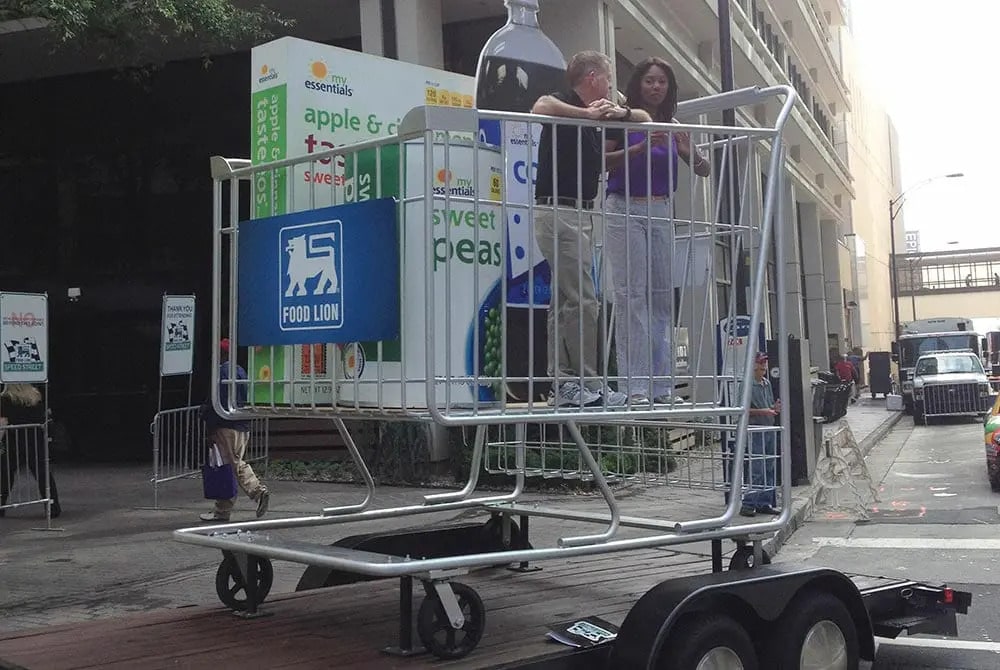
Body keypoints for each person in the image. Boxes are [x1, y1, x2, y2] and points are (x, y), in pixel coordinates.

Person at [530, 51, 651, 407]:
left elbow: (643, 119)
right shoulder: (565, 101)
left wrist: (623, 120)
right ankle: (585, 382)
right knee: (584, 299)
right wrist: (587, 115)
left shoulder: (601, 111)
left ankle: (565, 382)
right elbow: (539, 107)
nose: (611, 85)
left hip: (579, 211)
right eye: (608, 77)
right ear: (593, 76)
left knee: (566, 299)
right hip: (558, 208)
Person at [603, 57, 711, 405]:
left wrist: (684, 151)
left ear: (669, 88)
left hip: (661, 208)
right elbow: (603, 161)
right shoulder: (624, 118)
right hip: (623, 206)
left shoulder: (673, 123)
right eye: (649, 80)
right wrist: (639, 147)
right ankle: (634, 387)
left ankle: (663, 387)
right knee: (631, 295)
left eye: (662, 82)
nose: (655, 87)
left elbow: (704, 168)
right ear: (639, 84)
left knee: (662, 297)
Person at [199, 339, 269, 522]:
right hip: (242, 425)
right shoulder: (241, 371)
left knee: (229, 466)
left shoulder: (221, 372)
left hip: (225, 425)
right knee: (233, 464)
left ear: (221, 354)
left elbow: (215, 402)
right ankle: (223, 510)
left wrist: (210, 427)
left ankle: (256, 492)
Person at [0, 383, 61, 518]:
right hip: (35, 439)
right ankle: (53, 506)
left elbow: (3, 422)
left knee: (5, 474)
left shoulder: (5, 399)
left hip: (12, 441)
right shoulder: (35, 396)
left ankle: (1, 505)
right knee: (43, 473)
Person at [739, 353, 781, 516]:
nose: (763, 366)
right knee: (757, 466)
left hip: (768, 427)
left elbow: (769, 404)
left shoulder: (766, 383)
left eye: (764, 363)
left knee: (769, 465)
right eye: (760, 363)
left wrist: (774, 408)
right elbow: (741, 408)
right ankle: (749, 503)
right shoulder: (747, 384)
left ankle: (765, 501)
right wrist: (764, 411)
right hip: (755, 428)